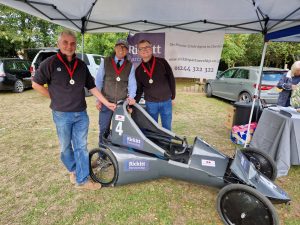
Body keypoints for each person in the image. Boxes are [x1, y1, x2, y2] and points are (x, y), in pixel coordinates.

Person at [32, 29, 116, 190]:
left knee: (81, 146)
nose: (69, 46)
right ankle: (73, 169)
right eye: (65, 42)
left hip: (80, 114)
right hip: (61, 114)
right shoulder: (49, 63)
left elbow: (92, 87)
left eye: (72, 43)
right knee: (65, 147)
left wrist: (106, 102)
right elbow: (36, 84)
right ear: (59, 43)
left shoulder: (81, 65)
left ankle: (82, 180)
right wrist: (54, 97)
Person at [95, 39, 136, 145]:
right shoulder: (105, 61)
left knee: (120, 131)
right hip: (106, 102)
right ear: (115, 48)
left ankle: (117, 155)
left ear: (127, 51)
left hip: (121, 104)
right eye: (119, 46)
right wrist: (98, 100)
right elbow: (99, 81)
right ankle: (102, 155)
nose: (121, 50)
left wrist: (131, 98)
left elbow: (132, 84)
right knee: (104, 129)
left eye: (124, 48)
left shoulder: (130, 65)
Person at [135, 40, 176, 131]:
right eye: (141, 48)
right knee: (152, 127)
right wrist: (133, 103)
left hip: (166, 101)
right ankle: (154, 144)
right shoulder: (138, 70)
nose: (144, 50)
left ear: (151, 48)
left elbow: (171, 79)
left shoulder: (162, 62)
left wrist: (172, 96)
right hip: (151, 103)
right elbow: (139, 90)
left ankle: (167, 144)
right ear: (138, 52)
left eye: (147, 47)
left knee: (167, 127)